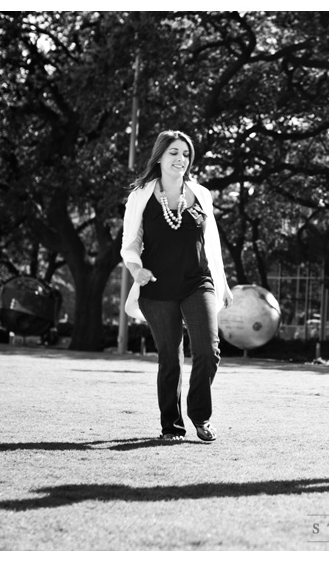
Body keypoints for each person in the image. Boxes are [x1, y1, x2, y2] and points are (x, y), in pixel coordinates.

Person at [121, 129, 233, 442]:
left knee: (209, 352)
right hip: (156, 287)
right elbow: (129, 244)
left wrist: (222, 285)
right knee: (170, 358)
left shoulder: (201, 194)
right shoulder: (140, 195)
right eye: (174, 152)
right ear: (159, 156)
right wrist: (137, 269)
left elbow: (212, 245)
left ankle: (201, 416)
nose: (180, 159)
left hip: (198, 282)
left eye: (185, 154)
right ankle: (171, 426)